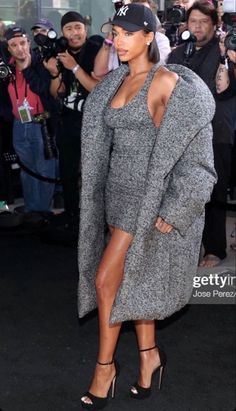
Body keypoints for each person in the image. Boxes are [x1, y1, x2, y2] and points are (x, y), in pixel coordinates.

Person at [77, 4, 216, 409]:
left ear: (147, 37)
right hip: (117, 199)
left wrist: (177, 208)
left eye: (126, 33)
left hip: (146, 199)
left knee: (106, 280)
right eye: (113, 33)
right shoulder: (117, 80)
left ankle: (105, 367)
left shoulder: (166, 82)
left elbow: (197, 158)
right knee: (137, 279)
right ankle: (148, 357)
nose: (117, 40)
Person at [167, 1, 236, 267]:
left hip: (216, 131)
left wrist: (223, 55)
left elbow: (223, 89)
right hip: (184, 134)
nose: (196, 27)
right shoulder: (179, 53)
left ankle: (215, 249)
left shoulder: (223, 51)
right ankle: (187, 247)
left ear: (214, 24)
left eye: (203, 22)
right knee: (184, 191)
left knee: (215, 191)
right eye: (192, 21)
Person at [44, 11, 103, 227]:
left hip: (94, 122)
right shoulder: (61, 52)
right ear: (62, 32)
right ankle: (71, 216)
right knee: (67, 172)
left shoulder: (97, 51)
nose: (74, 33)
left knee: (93, 175)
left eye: (78, 27)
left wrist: (74, 67)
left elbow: (97, 89)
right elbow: (56, 93)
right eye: (69, 28)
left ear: (86, 29)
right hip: (68, 120)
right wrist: (54, 73)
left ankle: (96, 221)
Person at [3, 26, 56, 214]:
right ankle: (32, 212)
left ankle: (43, 212)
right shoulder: (6, 69)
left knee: (45, 170)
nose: (20, 49)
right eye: (14, 45)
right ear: (8, 48)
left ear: (29, 43)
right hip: (19, 125)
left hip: (41, 123)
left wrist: (26, 70)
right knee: (27, 171)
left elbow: (43, 89)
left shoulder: (41, 63)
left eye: (23, 43)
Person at [93, 0, 171, 78]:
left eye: (128, 34)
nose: (118, 42)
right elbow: (99, 71)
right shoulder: (117, 80)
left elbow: (156, 66)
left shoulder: (165, 79)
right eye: (115, 34)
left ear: (149, 37)